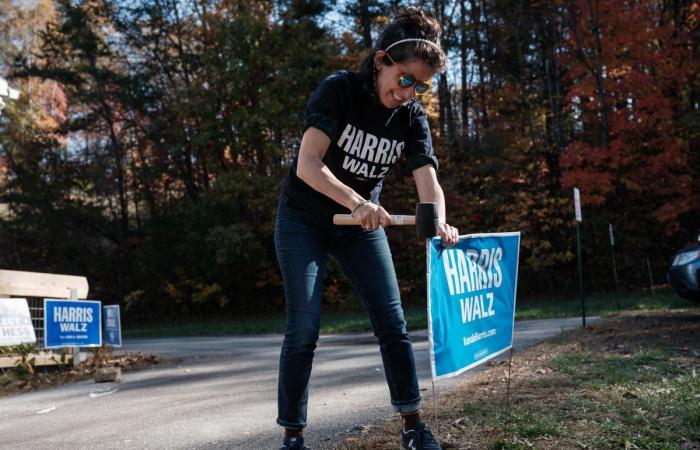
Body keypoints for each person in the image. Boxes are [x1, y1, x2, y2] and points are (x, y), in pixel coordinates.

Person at [275, 7, 458, 450]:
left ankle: (414, 427)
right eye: (405, 78)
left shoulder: (412, 118)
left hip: (360, 224)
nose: (409, 91)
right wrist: (358, 202)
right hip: (304, 219)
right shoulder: (338, 91)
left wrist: (439, 221)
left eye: (421, 86)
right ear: (381, 61)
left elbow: (428, 182)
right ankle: (294, 436)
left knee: (393, 324)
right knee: (304, 330)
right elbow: (307, 165)